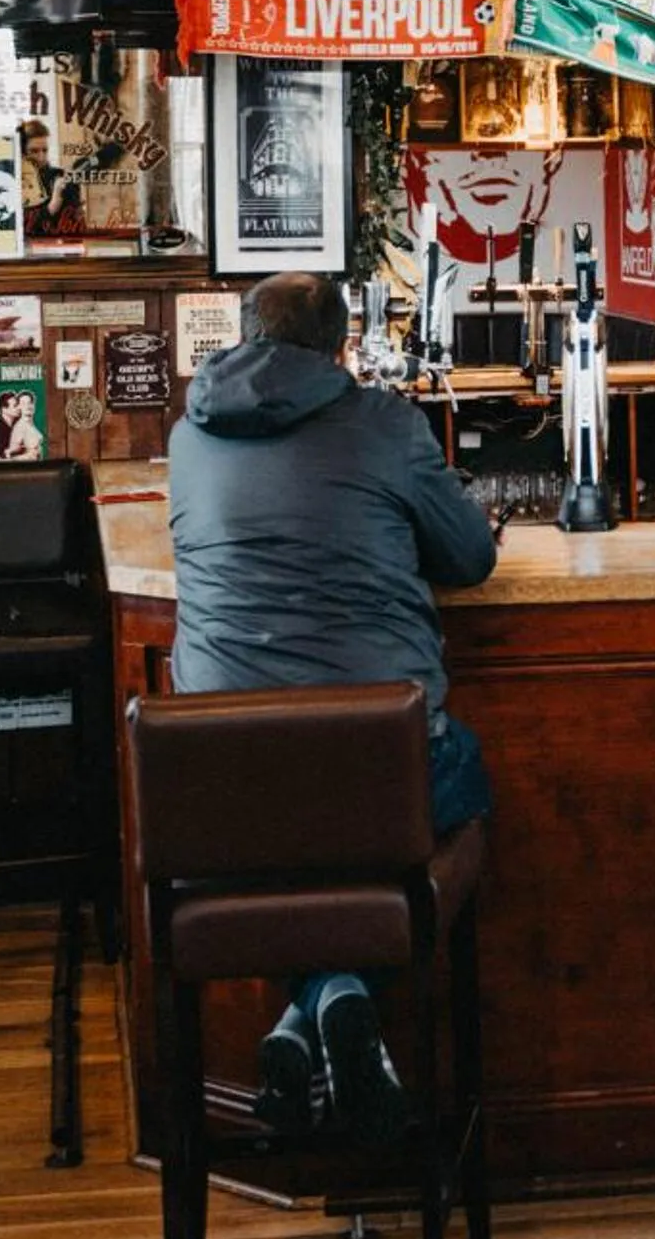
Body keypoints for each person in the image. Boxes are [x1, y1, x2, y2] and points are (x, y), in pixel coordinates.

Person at [167, 271, 501, 1145]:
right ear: (343, 343)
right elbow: (469, 559)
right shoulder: (386, 424)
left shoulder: (187, 434)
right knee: (461, 780)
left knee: (294, 850)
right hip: (373, 763)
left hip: (217, 776)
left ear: (241, 334)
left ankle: (304, 1016)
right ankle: (345, 993)